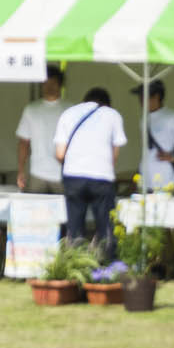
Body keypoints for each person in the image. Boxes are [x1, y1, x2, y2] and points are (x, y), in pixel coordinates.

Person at [54, 85, 126, 258]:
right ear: (107, 104)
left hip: (73, 176)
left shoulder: (68, 113)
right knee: (105, 227)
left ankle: (75, 268)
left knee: (75, 228)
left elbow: (59, 153)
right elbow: (114, 155)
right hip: (101, 177)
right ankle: (107, 269)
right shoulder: (112, 115)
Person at [131, 79, 174, 192]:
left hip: (165, 178)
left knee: (163, 209)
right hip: (145, 178)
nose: (140, 101)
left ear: (156, 97)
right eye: (140, 97)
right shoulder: (144, 119)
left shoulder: (171, 117)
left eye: (143, 97)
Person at [14, 65, 66, 194]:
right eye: (45, 83)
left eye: (53, 83)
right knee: (34, 212)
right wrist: (21, 170)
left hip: (63, 174)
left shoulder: (70, 109)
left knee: (64, 213)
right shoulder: (31, 109)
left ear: (60, 85)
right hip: (37, 172)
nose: (49, 87)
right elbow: (23, 142)